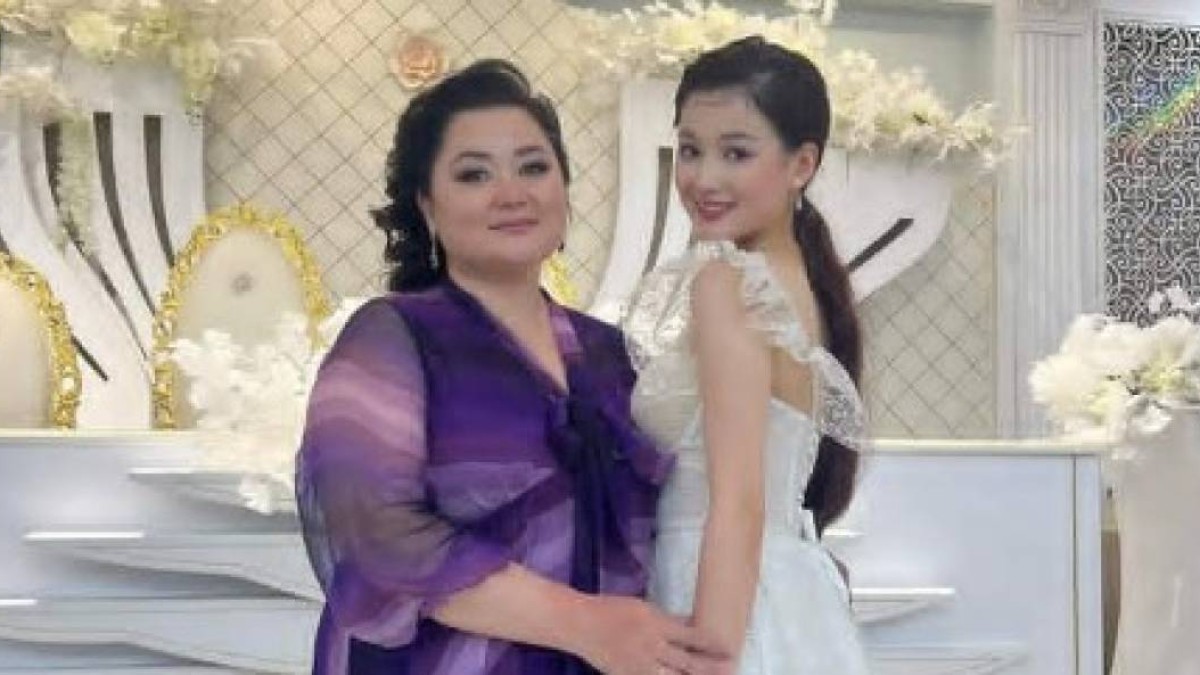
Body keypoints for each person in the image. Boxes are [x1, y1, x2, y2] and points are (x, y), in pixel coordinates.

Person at [296, 59, 727, 675]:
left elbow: (674, 515)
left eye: (533, 167)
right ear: (427, 207)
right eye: (474, 174)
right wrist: (585, 624)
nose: (512, 194)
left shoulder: (611, 355)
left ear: (564, 190)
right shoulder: (392, 336)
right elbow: (377, 536)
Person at [623, 36, 872, 673]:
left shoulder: (729, 281)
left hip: (719, 595)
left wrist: (707, 656)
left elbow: (737, 504)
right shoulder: (801, 282)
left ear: (801, 164)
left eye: (736, 153)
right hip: (785, 595)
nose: (704, 179)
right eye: (689, 150)